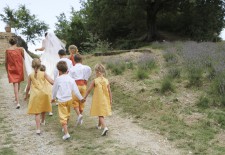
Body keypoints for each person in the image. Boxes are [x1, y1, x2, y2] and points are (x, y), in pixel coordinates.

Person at [52, 61, 85, 140]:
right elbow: (76, 90)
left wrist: (53, 98)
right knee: (67, 114)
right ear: (67, 70)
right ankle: (64, 127)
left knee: (63, 116)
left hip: (62, 101)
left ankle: (66, 133)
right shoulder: (71, 79)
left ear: (59, 71)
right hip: (69, 99)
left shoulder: (58, 79)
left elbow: (54, 90)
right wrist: (81, 98)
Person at [24, 58, 54, 135]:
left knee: (37, 112)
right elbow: (51, 82)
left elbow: (28, 87)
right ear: (40, 65)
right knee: (43, 108)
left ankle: (38, 129)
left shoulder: (30, 75)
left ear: (32, 66)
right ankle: (43, 120)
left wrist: (26, 95)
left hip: (35, 95)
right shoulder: (43, 73)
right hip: (44, 93)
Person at [84, 64, 112, 136]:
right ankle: (99, 125)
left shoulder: (95, 81)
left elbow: (88, 90)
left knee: (100, 114)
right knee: (101, 112)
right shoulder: (106, 80)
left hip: (99, 100)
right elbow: (109, 91)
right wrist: (111, 100)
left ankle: (105, 127)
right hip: (105, 99)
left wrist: (84, 97)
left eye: (96, 72)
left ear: (98, 72)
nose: (95, 73)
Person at [69, 54, 91, 126]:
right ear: (81, 60)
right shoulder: (86, 67)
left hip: (76, 85)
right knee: (82, 101)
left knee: (75, 101)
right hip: (83, 85)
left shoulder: (72, 68)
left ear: (74, 60)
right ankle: (80, 115)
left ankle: (79, 115)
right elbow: (89, 72)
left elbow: (70, 78)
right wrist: (86, 79)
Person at [5, 37, 24, 109]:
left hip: (11, 68)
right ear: (16, 42)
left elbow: (6, 62)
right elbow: (25, 58)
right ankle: (17, 101)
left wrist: (7, 70)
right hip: (19, 68)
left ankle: (17, 100)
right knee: (17, 83)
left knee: (15, 84)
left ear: (10, 43)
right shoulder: (20, 49)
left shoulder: (7, 50)